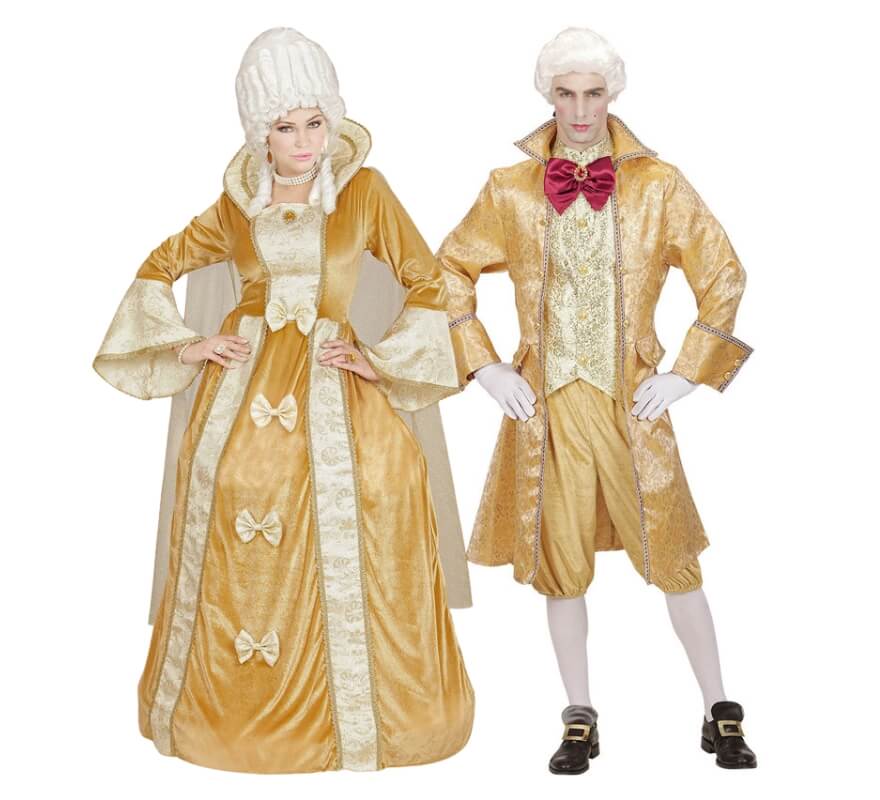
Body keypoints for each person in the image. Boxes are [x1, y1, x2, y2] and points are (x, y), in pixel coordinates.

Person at [93, 27, 474, 773]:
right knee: (233, 492)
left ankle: (366, 717)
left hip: (336, 380)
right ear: (258, 133)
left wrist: (378, 358)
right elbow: (160, 263)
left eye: (314, 122)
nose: (304, 141)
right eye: (285, 126)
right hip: (243, 388)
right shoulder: (236, 205)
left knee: (382, 489)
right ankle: (228, 711)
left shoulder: (364, 191)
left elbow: (429, 280)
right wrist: (190, 346)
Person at [437, 26, 756, 773]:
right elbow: (447, 269)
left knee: (674, 556)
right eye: (566, 93)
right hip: (546, 409)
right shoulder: (509, 188)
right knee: (561, 562)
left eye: (594, 93)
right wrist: (486, 366)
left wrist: (687, 372)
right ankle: (578, 713)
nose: (580, 110)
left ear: (613, 94)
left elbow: (723, 273)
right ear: (547, 95)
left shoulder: (659, 184)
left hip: (633, 404)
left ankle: (718, 706)